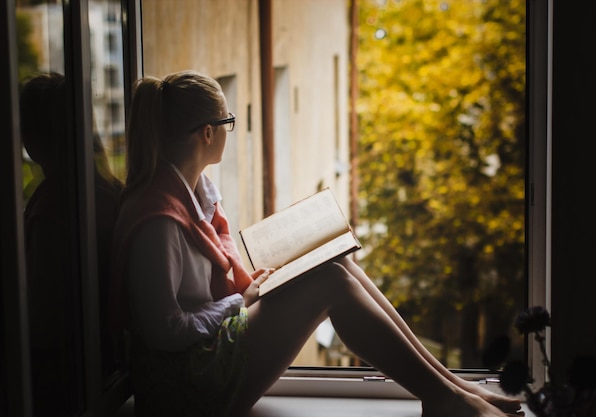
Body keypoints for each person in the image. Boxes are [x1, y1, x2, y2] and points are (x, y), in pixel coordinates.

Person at [110, 70, 524, 417]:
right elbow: (164, 331)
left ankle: (451, 388)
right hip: (187, 384)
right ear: (206, 133)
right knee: (331, 283)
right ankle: (445, 398)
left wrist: (254, 288)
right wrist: (240, 300)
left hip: (208, 351)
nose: (229, 130)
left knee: (339, 265)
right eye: (228, 121)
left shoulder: (193, 191)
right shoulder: (158, 221)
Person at [20, 72, 124, 416]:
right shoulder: (109, 190)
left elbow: (42, 323)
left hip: (62, 387)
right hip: (110, 372)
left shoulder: (54, 207)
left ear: (31, 139)